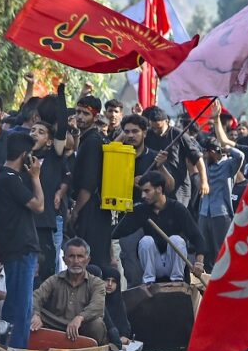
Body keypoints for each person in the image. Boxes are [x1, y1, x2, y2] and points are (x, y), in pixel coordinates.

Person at [0, 132, 44, 348]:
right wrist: (36, 178)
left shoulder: (1, 178)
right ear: (24, 155)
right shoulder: (9, 178)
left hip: (13, 247)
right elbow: (39, 206)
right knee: (23, 305)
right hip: (21, 248)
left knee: (14, 301)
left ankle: (4, 340)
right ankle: (18, 350)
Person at [113, 171, 206, 284]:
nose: (143, 196)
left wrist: (199, 263)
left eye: (147, 191)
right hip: (154, 265)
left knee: (176, 240)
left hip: (173, 263)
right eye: (142, 191)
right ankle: (149, 281)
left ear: (159, 189)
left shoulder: (177, 209)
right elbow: (117, 233)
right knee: (146, 241)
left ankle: (177, 281)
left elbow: (197, 237)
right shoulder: (141, 210)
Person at [118, 113, 175, 287]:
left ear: (144, 133)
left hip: (153, 219)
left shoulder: (155, 157)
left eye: (135, 131)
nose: (130, 135)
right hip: (127, 217)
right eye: (126, 131)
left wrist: (161, 167)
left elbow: (170, 186)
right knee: (131, 265)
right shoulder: (117, 157)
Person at [31, 238, 108, 344]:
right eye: (71, 256)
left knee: (97, 324)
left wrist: (80, 318)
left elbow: (97, 306)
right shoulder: (54, 280)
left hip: (81, 327)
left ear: (88, 260)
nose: (76, 261)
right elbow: (36, 297)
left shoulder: (96, 283)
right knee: (27, 314)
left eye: (80, 256)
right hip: (54, 323)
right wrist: (36, 314)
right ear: (64, 259)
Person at [69, 95, 113, 267]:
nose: (80, 117)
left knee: (90, 261)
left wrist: (76, 212)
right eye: (78, 112)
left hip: (91, 209)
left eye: (85, 114)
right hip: (97, 208)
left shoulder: (92, 142)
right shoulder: (89, 139)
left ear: (95, 117)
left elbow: (88, 185)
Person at [30, 120, 71, 284]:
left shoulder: (53, 158)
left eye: (41, 132)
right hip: (28, 220)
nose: (34, 133)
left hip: (48, 220)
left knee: (48, 264)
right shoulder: (23, 158)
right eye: (32, 130)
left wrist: (60, 93)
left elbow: (61, 129)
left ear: (49, 141)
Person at [197, 132, 244, 272]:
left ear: (211, 152)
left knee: (220, 250)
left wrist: (226, 148)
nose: (203, 157)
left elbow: (240, 156)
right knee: (204, 248)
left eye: (205, 153)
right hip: (204, 212)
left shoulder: (229, 165)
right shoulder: (205, 165)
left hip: (221, 214)